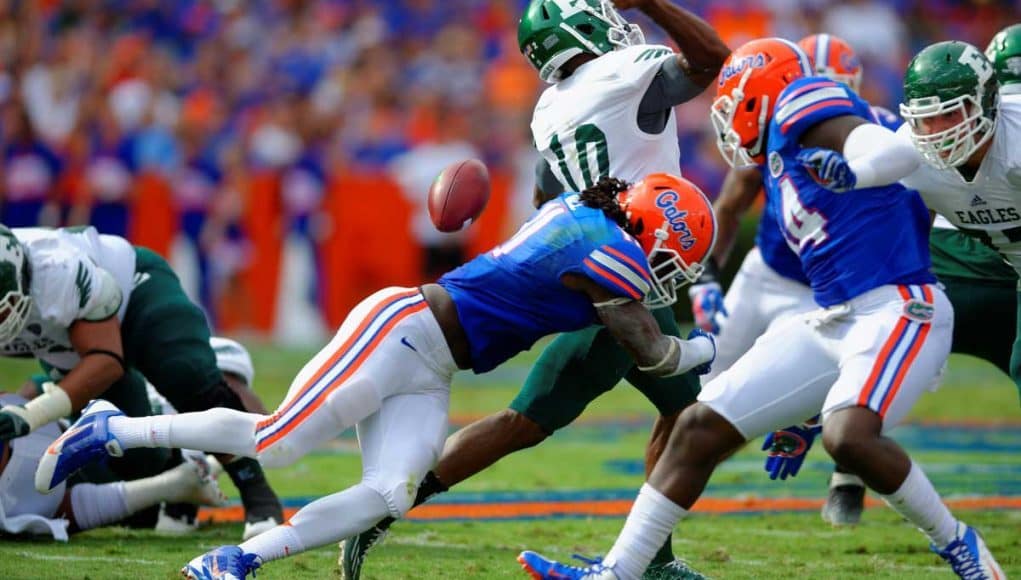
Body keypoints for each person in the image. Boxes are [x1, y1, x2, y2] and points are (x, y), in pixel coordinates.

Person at [36, 173, 720, 580]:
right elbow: (655, 353)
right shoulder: (604, 248)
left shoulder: (585, 213)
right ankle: (115, 427)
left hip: (437, 362)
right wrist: (706, 349)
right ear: (649, 226)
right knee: (280, 440)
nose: (666, 271)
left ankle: (238, 560)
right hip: (401, 328)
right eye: (671, 254)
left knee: (391, 490)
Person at [519, 37, 1005, 580]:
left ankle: (960, 545)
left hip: (899, 307)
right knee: (698, 426)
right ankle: (619, 573)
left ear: (758, 94)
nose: (725, 121)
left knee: (851, 436)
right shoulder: (775, 150)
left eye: (730, 106)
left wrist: (855, 173)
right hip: (834, 317)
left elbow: (894, 151)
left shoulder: (802, 101)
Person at [340, 2, 729, 579]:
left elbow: (545, 197)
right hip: (621, 283)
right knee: (530, 420)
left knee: (681, 411)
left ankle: (651, 560)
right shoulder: (624, 71)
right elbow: (712, 58)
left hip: (596, 269)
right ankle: (379, 505)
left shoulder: (551, 107)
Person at [0, 226, 284, 540]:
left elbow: (106, 360)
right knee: (137, 462)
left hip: (133, 294)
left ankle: (257, 492)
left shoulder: (58, 271)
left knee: (184, 376)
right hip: (69, 347)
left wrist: (32, 412)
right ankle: (185, 461)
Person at [0, 336, 257, 541]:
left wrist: (33, 405)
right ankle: (189, 474)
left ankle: (193, 471)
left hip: (89, 432)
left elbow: (39, 388)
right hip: (103, 470)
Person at [897, 39, 1021, 407]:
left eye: (951, 114)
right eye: (926, 117)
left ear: (985, 101)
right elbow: (907, 247)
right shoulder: (906, 155)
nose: (937, 130)